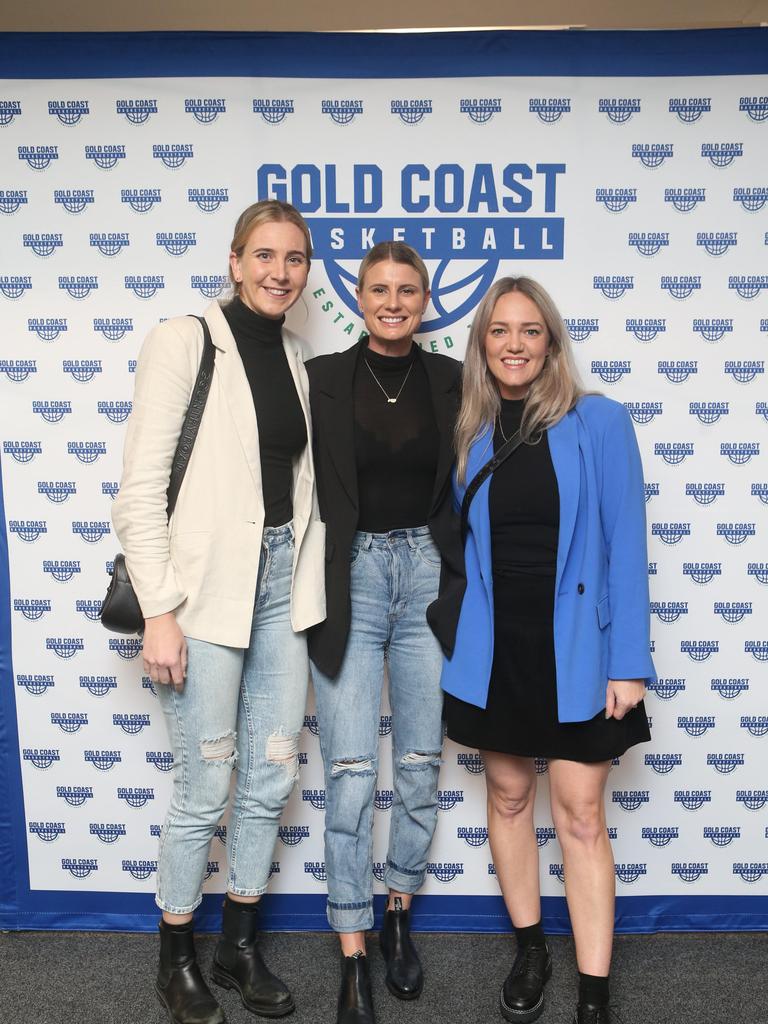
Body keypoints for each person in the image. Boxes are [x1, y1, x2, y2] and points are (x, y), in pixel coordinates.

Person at [112, 200, 325, 1024]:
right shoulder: (185, 339)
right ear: (234, 261)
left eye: (295, 259)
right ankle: (176, 957)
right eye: (264, 255)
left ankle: (237, 945)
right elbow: (139, 492)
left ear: (308, 272)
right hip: (199, 596)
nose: (279, 271)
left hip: (281, 591)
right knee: (206, 783)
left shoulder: (303, 357)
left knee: (270, 773)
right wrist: (159, 611)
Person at [435, 277, 654, 1024]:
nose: (516, 344)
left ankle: (594, 993)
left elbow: (627, 546)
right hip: (494, 650)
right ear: (482, 345)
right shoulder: (470, 428)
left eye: (531, 331)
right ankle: (531, 947)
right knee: (507, 797)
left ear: (551, 343)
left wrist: (629, 662)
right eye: (500, 330)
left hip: (579, 653)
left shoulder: (600, 421)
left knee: (581, 815)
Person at [306, 241, 463, 1024]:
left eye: (407, 290)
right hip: (352, 582)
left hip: (429, 578)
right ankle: (353, 951)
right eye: (379, 289)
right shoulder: (324, 379)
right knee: (348, 773)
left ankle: (399, 906)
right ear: (358, 297)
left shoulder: (452, 380)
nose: (393, 302)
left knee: (422, 762)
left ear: (426, 300)